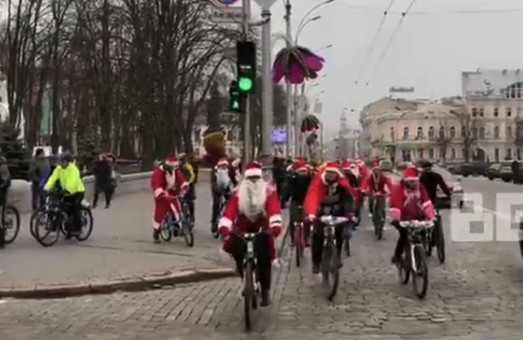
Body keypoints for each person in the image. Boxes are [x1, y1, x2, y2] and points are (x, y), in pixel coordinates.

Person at [218, 162, 282, 307]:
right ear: (245, 179)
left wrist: (275, 225)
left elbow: (274, 209)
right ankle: (245, 277)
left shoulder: (269, 191)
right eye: (250, 178)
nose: (253, 182)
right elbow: (230, 210)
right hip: (242, 228)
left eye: (256, 178)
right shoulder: (238, 192)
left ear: (260, 179)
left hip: (262, 228)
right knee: (236, 249)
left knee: (265, 257)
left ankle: (265, 290)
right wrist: (225, 227)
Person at [304, 162, 354, 274]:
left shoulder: (343, 184)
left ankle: (337, 256)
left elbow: (348, 200)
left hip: (337, 210)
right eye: (329, 174)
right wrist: (311, 213)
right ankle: (316, 263)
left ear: (337, 175)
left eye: (333, 174)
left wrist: (349, 214)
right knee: (318, 234)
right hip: (321, 210)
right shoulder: (318, 183)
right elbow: (312, 197)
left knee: (339, 232)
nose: (330, 177)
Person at [389, 166, 435, 264]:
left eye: (415, 181)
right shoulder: (400, 189)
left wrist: (431, 218)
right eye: (411, 181)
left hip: (419, 217)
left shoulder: (421, 189)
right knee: (404, 236)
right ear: (406, 181)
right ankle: (397, 256)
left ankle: (420, 258)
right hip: (404, 218)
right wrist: (396, 219)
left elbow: (426, 203)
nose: (413, 183)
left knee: (422, 234)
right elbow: (397, 205)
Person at [44, 152, 85, 239]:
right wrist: (47, 188)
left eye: (62, 161)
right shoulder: (59, 169)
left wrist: (67, 190)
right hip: (65, 192)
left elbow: (72, 181)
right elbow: (53, 178)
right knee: (63, 208)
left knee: (74, 209)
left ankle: (78, 228)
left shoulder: (73, 169)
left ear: (67, 161)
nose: (60, 163)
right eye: (60, 161)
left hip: (77, 191)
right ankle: (68, 228)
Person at [150, 156, 189, 244]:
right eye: (172, 167)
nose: (174, 169)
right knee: (160, 214)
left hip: (172, 193)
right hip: (162, 195)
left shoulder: (175, 171)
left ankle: (179, 228)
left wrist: (184, 187)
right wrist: (161, 193)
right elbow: (156, 184)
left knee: (177, 210)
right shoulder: (159, 172)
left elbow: (181, 179)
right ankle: (156, 233)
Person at [281, 159, 313, 246]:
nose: (302, 173)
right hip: (302, 200)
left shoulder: (293, 177)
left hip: (300, 200)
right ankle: (306, 239)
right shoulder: (309, 177)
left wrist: (284, 199)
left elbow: (287, 189)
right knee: (304, 220)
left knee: (296, 220)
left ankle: (294, 240)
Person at [211, 158, 237, 233]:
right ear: (219, 166)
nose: (224, 167)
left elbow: (234, 180)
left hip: (226, 188)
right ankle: (214, 222)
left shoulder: (229, 172)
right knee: (216, 204)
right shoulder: (215, 172)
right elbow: (213, 184)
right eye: (222, 166)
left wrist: (236, 188)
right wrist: (219, 191)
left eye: (225, 166)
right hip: (217, 189)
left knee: (231, 203)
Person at [178, 153, 196, 221]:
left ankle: (192, 216)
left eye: (181, 160)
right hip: (180, 187)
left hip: (189, 186)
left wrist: (188, 182)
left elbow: (192, 176)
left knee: (190, 201)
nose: (180, 162)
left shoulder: (188, 167)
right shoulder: (178, 168)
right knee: (179, 201)